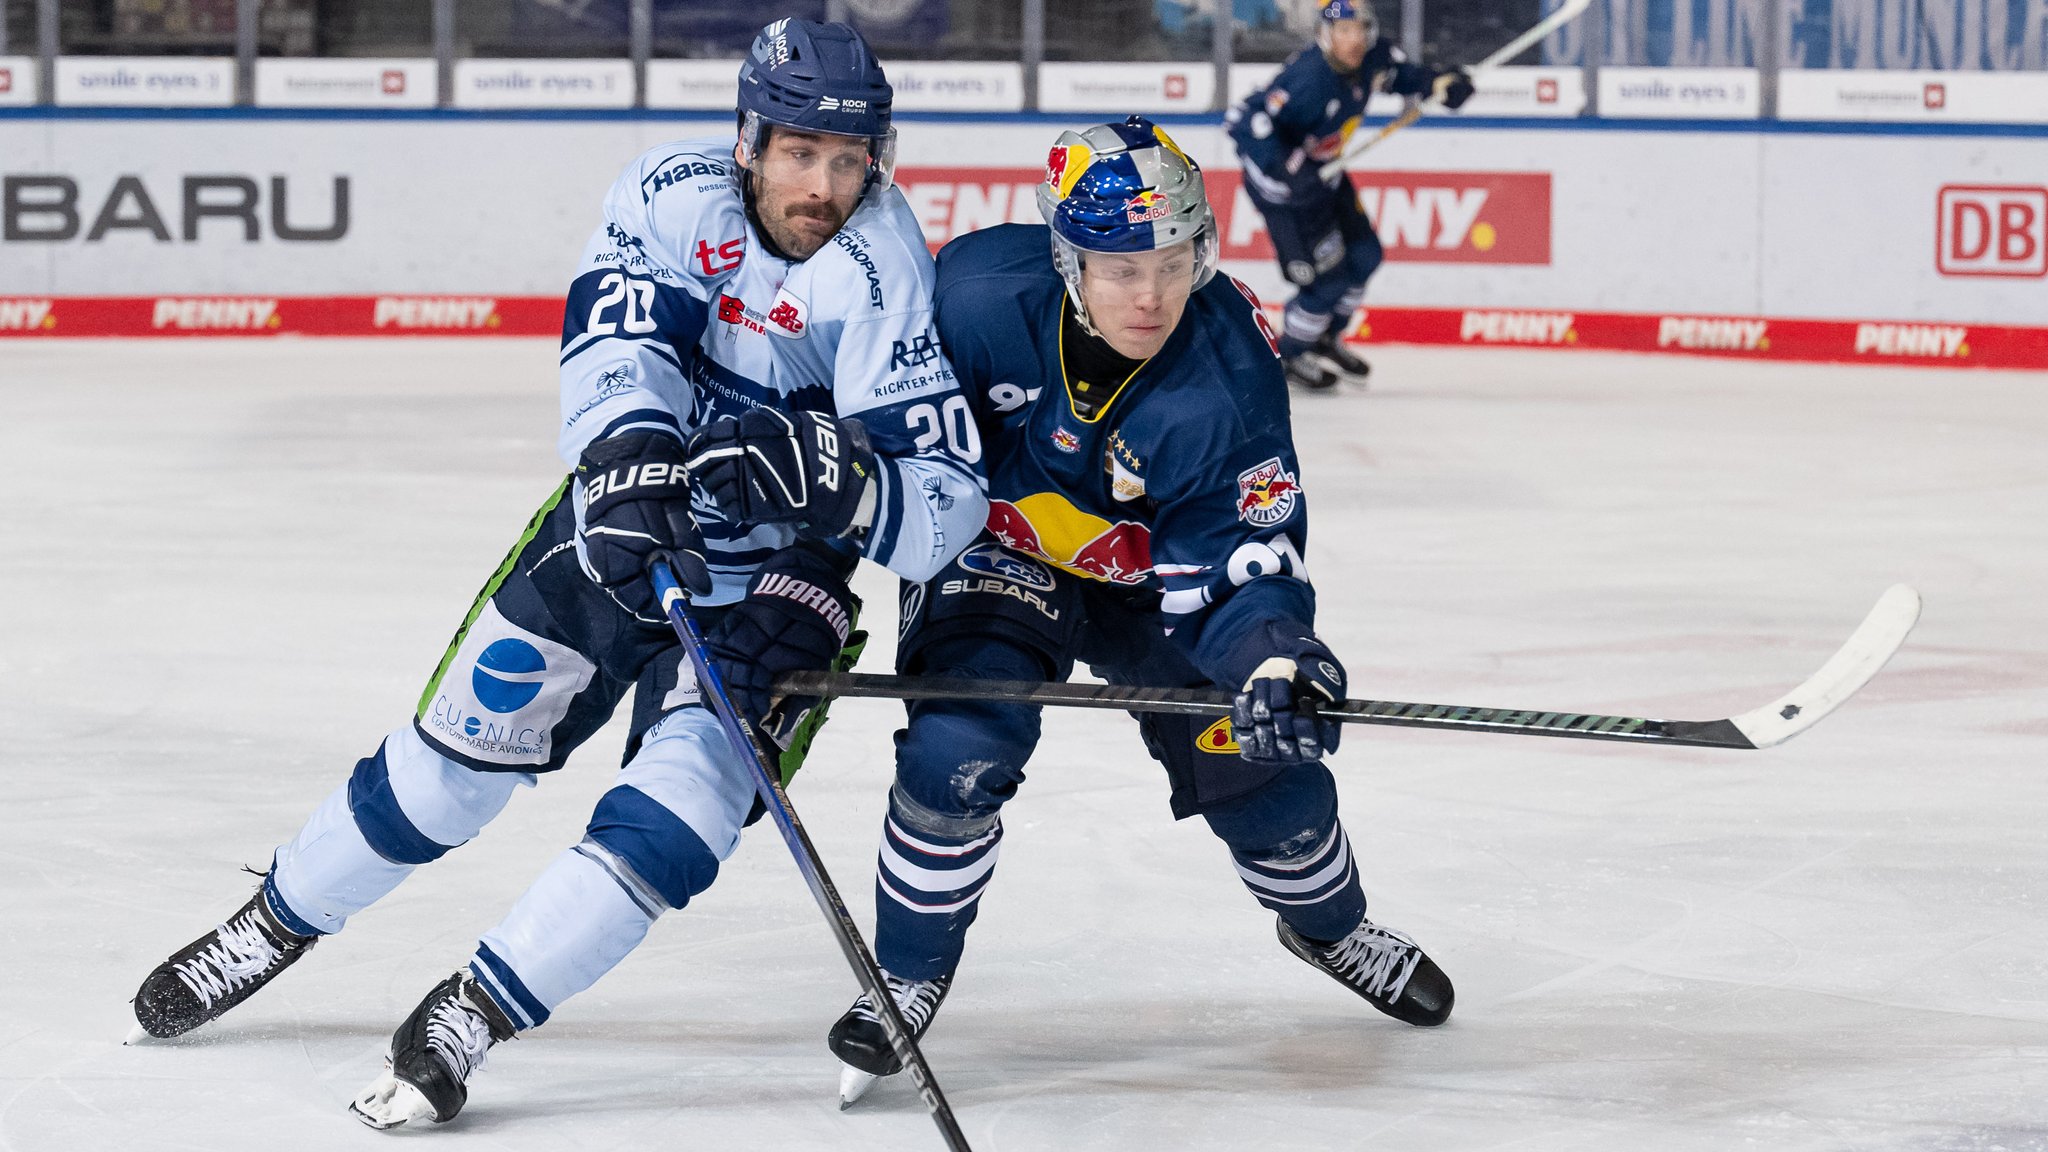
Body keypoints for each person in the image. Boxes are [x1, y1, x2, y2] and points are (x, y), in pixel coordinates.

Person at [126, 17, 987, 1130]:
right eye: (797, 153)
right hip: (626, 519)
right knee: (450, 768)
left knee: (675, 820)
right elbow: (620, 344)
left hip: (780, 582)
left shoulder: (886, 272)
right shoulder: (672, 196)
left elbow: (943, 508)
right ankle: (276, 919)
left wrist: (845, 487)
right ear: (747, 140)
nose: (821, 183)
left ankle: (469, 1014)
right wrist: (631, 453)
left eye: (846, 158)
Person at [824, 116, 1454, 1107]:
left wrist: (1276, 656)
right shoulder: (973, 297)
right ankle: (904, 970)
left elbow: (1240, 559)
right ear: (1066, 257)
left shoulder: (1226, 370)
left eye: (1171, 261)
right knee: (957, 751)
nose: (1150, 295)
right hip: (993, 555)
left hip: (1151, 579)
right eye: (1119, 269)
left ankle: (1328, 925)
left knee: (1264, 770)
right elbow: (859, 432)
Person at [1225, 0, 1474, 390]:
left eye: (1359, 30)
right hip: (1287, 196)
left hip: (1327, 178)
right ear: (1326, 35)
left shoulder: (1371, 58)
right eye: (1343, 31)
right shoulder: (1308, 79)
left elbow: (1397, 75)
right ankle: (1290, 354)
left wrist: (1438, 82)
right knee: (1326, 283)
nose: (1353, 39)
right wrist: (1291, 168)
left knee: (1365, 256)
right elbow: (1242, 120)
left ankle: (1324, 337)